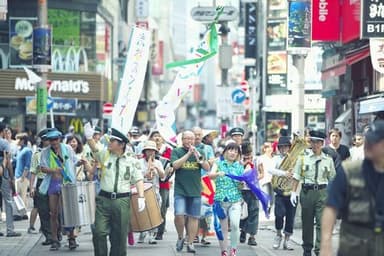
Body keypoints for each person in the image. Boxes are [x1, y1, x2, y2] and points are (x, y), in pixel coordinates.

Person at [320, 120, 384, 256]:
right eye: (368, 141)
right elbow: (331, 208)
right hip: (354, 249)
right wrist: (326, 245)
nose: (368, 145)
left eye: (374, 142)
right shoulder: (348, 172)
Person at [84, 123, 145, 256]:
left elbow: (139, 178)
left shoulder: (131, 160)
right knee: (99, 232)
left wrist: (141, 197)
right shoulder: (104, 155)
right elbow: (94, 147)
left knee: (119, 237)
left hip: (122, 201)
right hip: (104, 200)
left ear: (121, 144)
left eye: (113, 141)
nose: (109, 143)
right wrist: (89, 137)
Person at [290, 130, 336, 256]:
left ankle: (319, 249)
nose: (315, 145)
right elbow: (296, 176)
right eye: (313, 142)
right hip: (307, 192)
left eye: (318, 142)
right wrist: (293, 192)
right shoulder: (303, 158)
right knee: (307, 222)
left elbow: (332, 178)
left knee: (322, 223)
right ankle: (307, 249)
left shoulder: (328, 160)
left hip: (323, 192)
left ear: (322, 143)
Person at [39, 129, 79, 251]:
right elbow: (42, 168)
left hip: (67, 183)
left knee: (69, 212)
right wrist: (53, 170)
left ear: (59, 139)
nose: (54, 142)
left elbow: (75, 161)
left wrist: (81, 162)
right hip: (53, 184)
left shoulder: (67, 148)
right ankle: (55, 240)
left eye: (55, 139)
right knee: (53, 213)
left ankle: (72, 238)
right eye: (51, 140)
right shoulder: (45, 152)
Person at [171, 130, 210, 253]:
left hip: (195, 190)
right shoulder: (176, 151)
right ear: (182, 140)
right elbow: (175, 165)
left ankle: (191, 242)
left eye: (191, 139)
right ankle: (180, 237)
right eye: (187, 138)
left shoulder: (200, 152)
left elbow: (207, 168)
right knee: (179, 214)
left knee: (194, 217)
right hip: (180, 189)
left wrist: (198, 156)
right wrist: (188, 155)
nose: (189, 141)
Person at [208, 142, 244, 256]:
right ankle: (223, 251)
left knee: (235, 225)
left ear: (238, 154)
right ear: (225, 151)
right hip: (220, 200)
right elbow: (210, 175)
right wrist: (218, 173)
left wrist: (242, 183)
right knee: (222, 228)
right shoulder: (218, 163)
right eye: (230, 150)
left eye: (235, 151)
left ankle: (233, 250)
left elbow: (241, 185)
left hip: (235, 200)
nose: (233, 153)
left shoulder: (239, 166)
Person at [267, 136, 296, 250]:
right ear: (279, 148)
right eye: (282, 147)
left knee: (290, 217)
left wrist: (294, 173)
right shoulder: (276, 159)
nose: (284, 149)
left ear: (289, 147)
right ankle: (278, 234)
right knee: (279, 215)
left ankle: (287, 240)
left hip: (292, 191)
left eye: (286, 147)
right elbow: (270, 169)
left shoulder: (295, 158)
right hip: (279, 191)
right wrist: (284, 173)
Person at [137, 140, 165, 244]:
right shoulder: (139, 162)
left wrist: (156, 167)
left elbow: (163, 177)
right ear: (145, 151)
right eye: (148, 150)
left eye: (152, 151)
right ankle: (142, 232)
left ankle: (152, 235)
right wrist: (146, 173)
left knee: (155, 213)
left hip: (155, 191)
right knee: (142, 213)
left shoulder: (158, 162)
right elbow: (137, 177)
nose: (150, 153)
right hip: (143, 191)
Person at [148, 130, 173, 241]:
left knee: (162, 208)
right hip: (150, 184)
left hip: (164, 184)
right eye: (155, 136)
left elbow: (169, 165)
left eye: (159, 136)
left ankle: (160, 231)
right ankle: (150, 230)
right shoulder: (147, 150)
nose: (157, 138)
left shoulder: (167, 150)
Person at [29, 128, 52, 244]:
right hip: (41, 182)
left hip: (53, 181)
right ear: (43, 140)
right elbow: (33, 172)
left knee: (54, 210)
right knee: (43, 211)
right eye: (47, 139)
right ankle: (48, 236)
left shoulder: (55, 152)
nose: (50, 141)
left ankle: (55, 234)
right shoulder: (37, 154)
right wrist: (32, 187)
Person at [0, 122, 21, 237]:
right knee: (8, 202)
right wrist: (12, 178)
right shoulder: (4, 143)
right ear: (3, 131)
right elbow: (8, 162)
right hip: (4, 175)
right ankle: (10, 230)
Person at [239, 141, 262, 246]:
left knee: (254, 211)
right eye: (246, 153)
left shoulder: (257, 159)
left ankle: (252, 236)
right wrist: (243, 165)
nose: (248, 155)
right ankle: (243, 230)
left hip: (254, 189)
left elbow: (262, 173)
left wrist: (255, 178)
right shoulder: (239, 161)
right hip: (241, 189)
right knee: (242, 212)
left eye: (249, 153)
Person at [14, 133, 32, 220]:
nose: (16, 141)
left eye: (17, 139)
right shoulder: (19, 150)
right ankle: (23, 214)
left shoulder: (27, 151)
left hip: (23, 177)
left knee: (22, 196)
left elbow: (28, 165)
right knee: (18, 196)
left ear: (22, 140)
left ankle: (21, 214)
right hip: (17, 176)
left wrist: (23, 177)